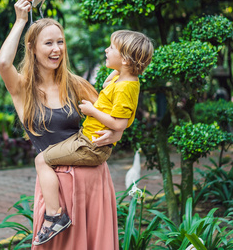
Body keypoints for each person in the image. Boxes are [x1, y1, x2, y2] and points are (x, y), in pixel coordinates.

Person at [0, 0, 121, 249]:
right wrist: (21, 20)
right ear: (32, 48)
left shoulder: (75, 84)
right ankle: (55, 217)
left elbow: (112, 117)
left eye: (60, 42)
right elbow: (3, 63)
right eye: (49, 43)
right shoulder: (23, 89)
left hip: (93, 181)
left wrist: (115, 136)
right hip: (57, 186)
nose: (57, 49)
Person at [32, 29, 153, 244]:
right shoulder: (122, 79)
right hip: (86, 139)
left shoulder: (126, 87)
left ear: (125, 60)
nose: (107, 50)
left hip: (90, 145)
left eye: (112, 48)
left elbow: (120, 122)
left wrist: (93, 111)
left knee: (41, 160)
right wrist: (115, 75)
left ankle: (55, 215)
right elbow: (118, 87)